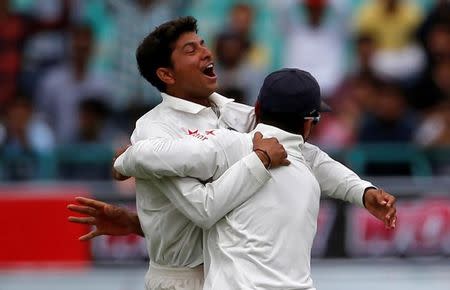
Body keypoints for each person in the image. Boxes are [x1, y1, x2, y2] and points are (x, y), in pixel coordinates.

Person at [68, 16, 397, 290]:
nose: (205, 53)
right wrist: (259, 161)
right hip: (181, 281)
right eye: (190, 50)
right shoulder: (154, 131)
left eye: (202, 44)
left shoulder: (233, 114)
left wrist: (361, 191)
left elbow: (301, 152)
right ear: (166, 74)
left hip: (224, 273)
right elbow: (203, 210)